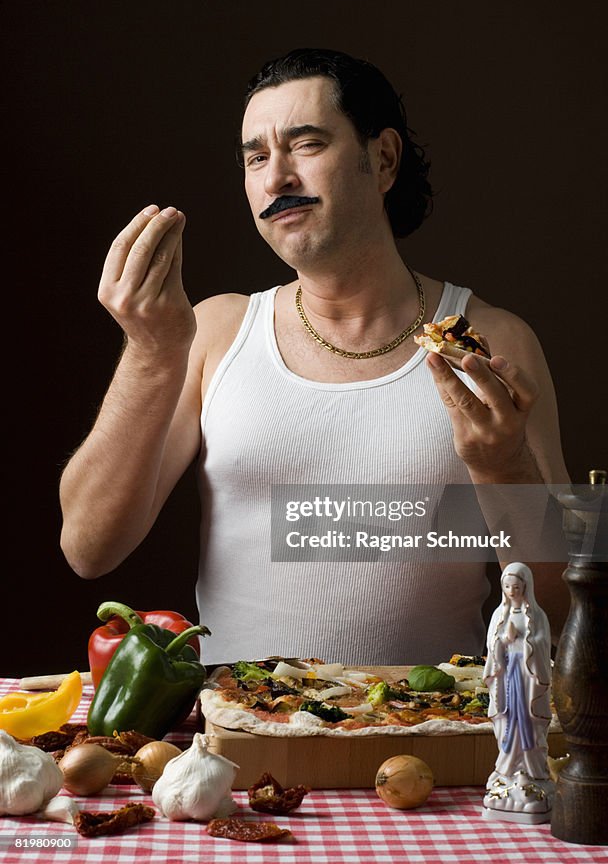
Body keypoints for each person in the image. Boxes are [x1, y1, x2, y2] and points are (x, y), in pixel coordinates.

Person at [59, 48, 570, 665]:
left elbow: (563, 601)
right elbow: (89, 548)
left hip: (432, 735)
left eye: (305, 144)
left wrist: (504, 466)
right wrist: (149, 352)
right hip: (247, 731)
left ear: (381, 160)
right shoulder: (212, 332)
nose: (275, 179)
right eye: (255, 157)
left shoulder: (492, 343)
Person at [483, 563, 553, 783]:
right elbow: (492, 643)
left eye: (516, 586)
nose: (512, 591)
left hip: (527, 677)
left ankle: (532, 768)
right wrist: (503, 640)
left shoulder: (536, 615)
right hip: (507, 677)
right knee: (506, 718)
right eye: (507, 586)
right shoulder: (499, 614)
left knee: (529, 719)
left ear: (526, 586)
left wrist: (524, 642)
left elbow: (543, 643)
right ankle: (507, 766)